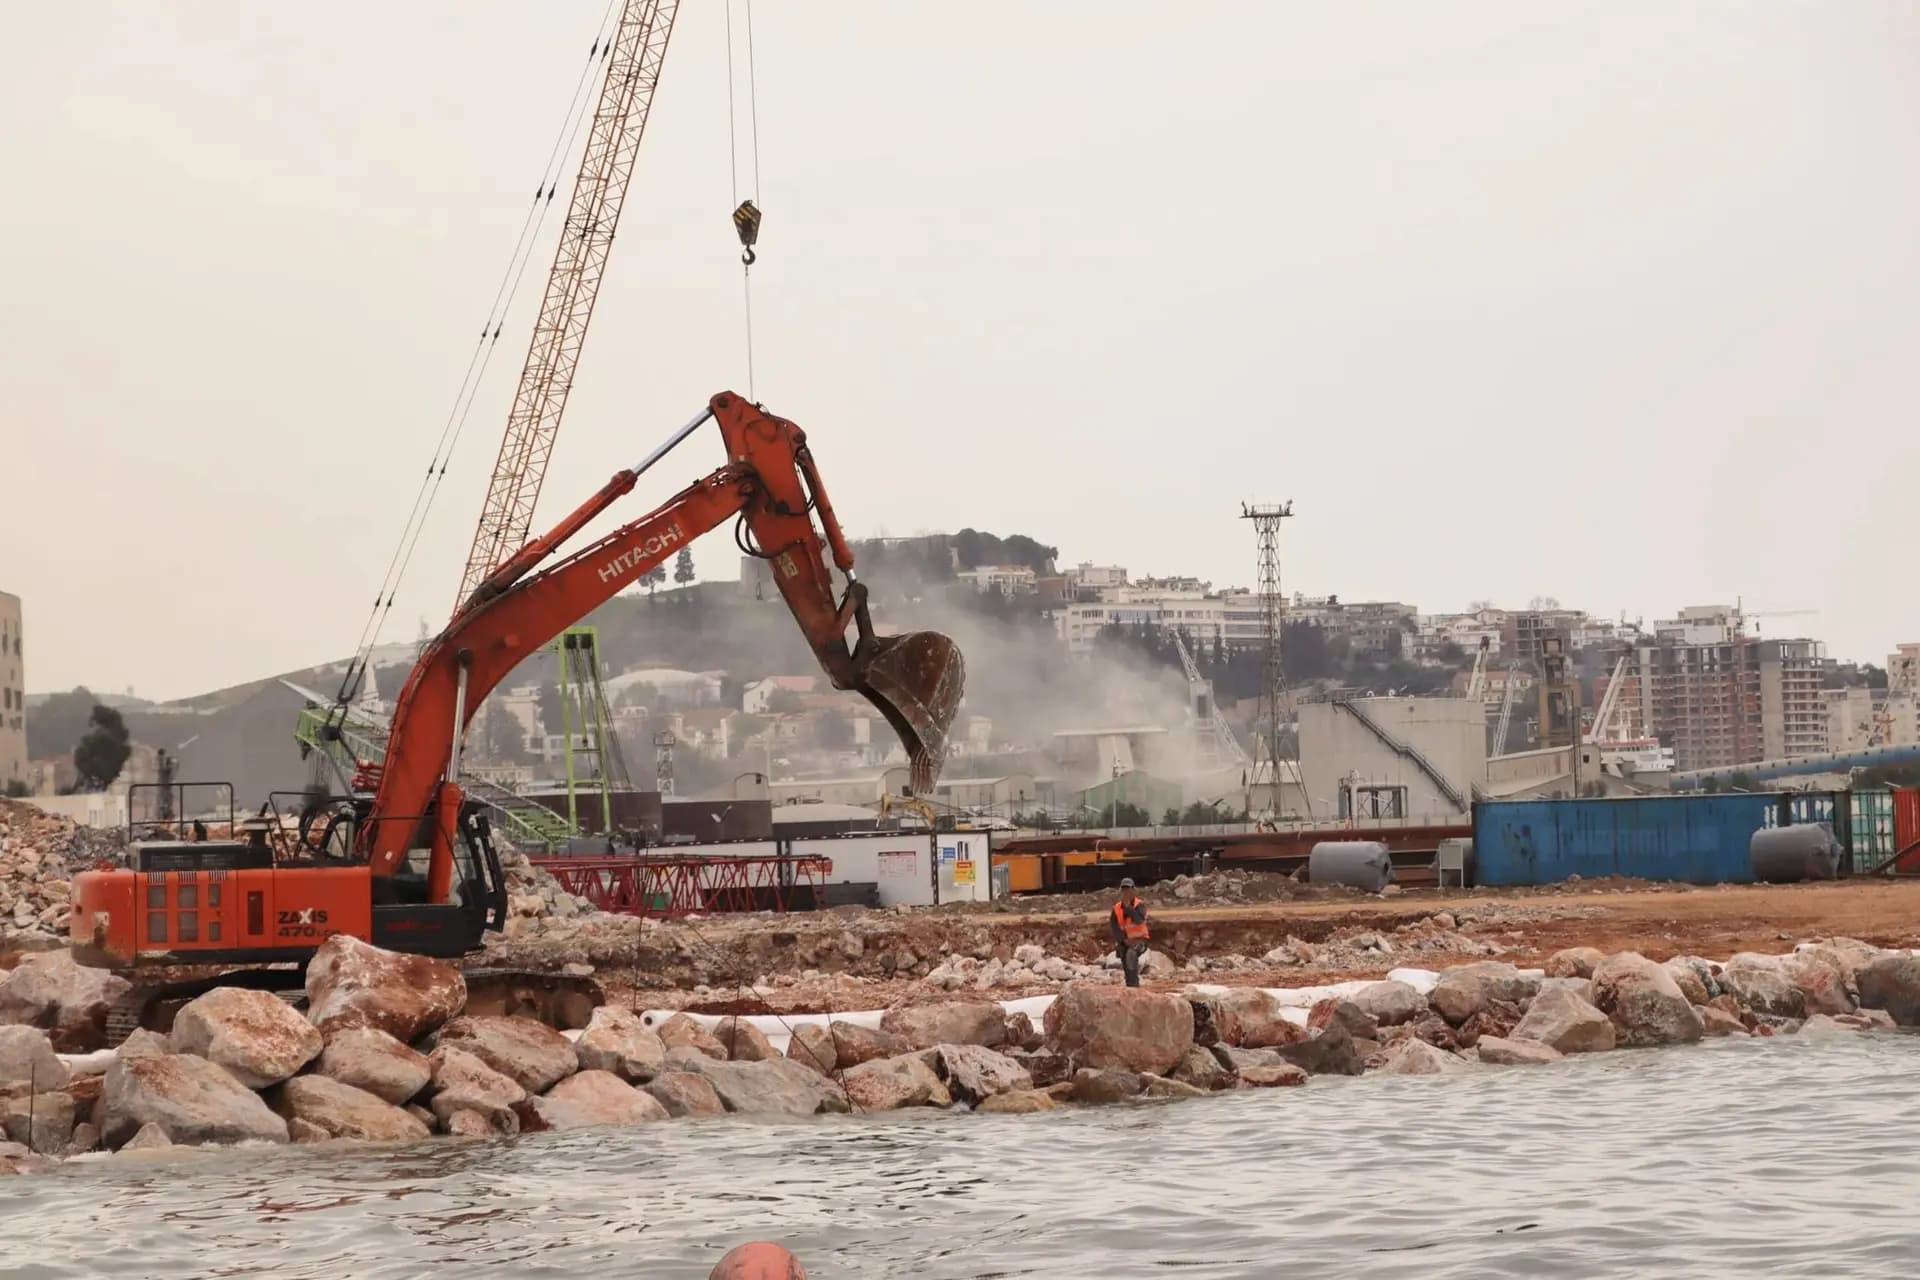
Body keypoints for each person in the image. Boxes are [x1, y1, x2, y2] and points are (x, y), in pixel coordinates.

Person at [1109, 877, 1150, 987]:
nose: (1126, 892)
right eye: (1124, 890)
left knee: (1131, 954)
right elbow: (1114, 927)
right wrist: (1123, 940)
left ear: (1133, 890)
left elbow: (1139, 920)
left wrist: (1128, 908)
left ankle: (1134, 985)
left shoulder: (1140, 905)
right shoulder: (1116, 908)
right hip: (1125, 940)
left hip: (1141, 940)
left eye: (1129, 889)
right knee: (1124, 955)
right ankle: (1129, 984)